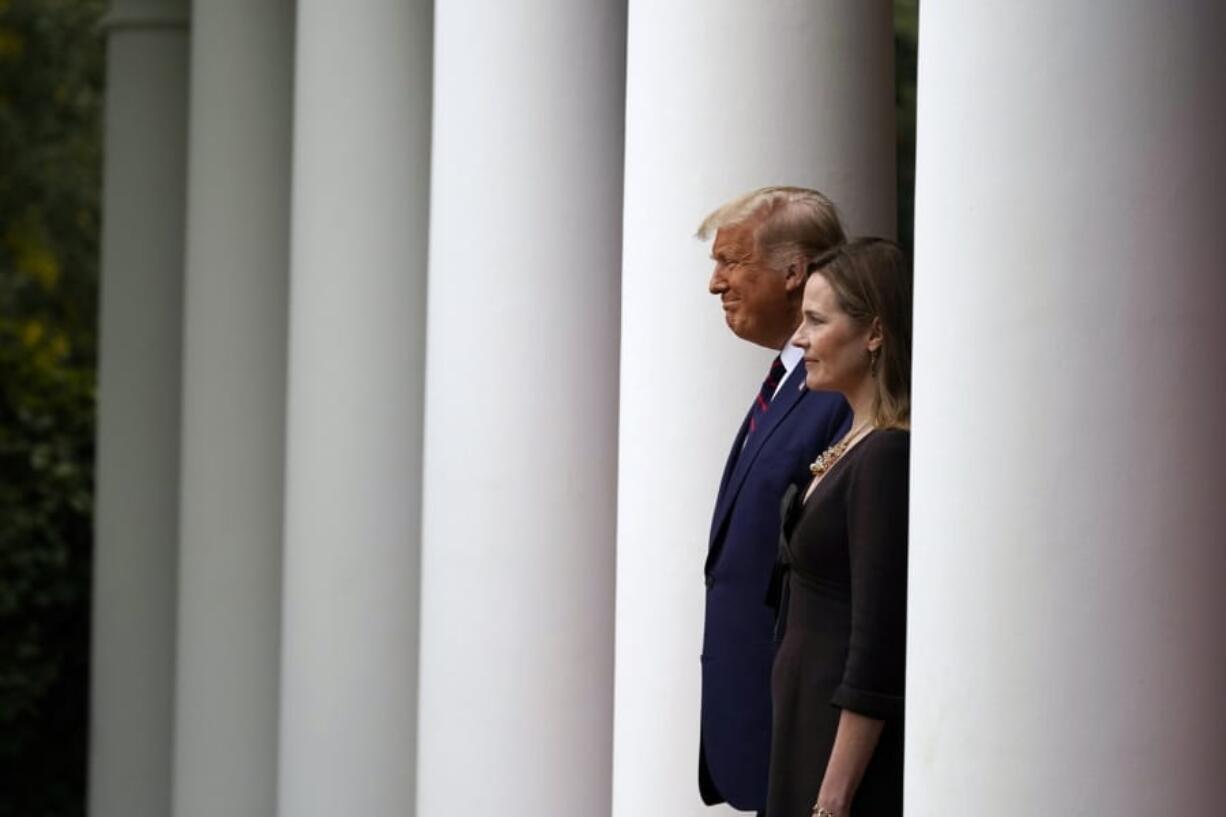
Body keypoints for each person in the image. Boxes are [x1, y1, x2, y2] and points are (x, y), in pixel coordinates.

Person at [696, 187, 852, 813]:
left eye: (731, 262)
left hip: (798, 725)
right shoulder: (790, 380)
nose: (716, 284)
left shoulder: (839, 389)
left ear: (793, 274)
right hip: (757, 719)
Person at [767, 238, 912, 817]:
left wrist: (834, 795)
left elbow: (876, 640)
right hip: (804, 730)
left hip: (836, 760)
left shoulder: (885, 456)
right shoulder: (849, 443)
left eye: (816, 321)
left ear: (874, 332)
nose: (798, 339)